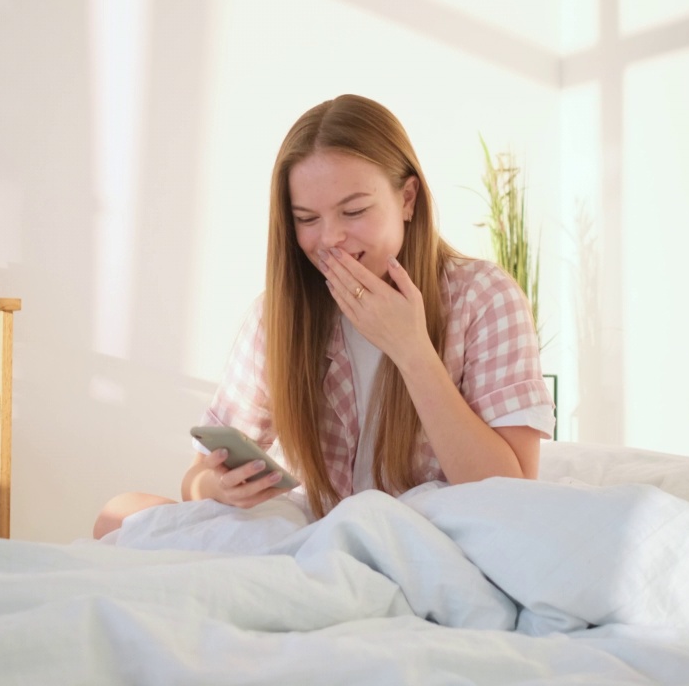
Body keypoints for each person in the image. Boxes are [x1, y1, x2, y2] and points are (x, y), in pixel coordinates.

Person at [93, 94, 553, 539]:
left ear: (408, 198)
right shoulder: (283, 314)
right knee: (118, 514)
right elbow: (197, 478)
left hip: (428, 542)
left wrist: (412, 351)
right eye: (307, 219)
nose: (329, 238)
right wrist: (218, 486)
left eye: (353, 210)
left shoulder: (484, 297)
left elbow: (509, 495)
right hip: (322, 537)